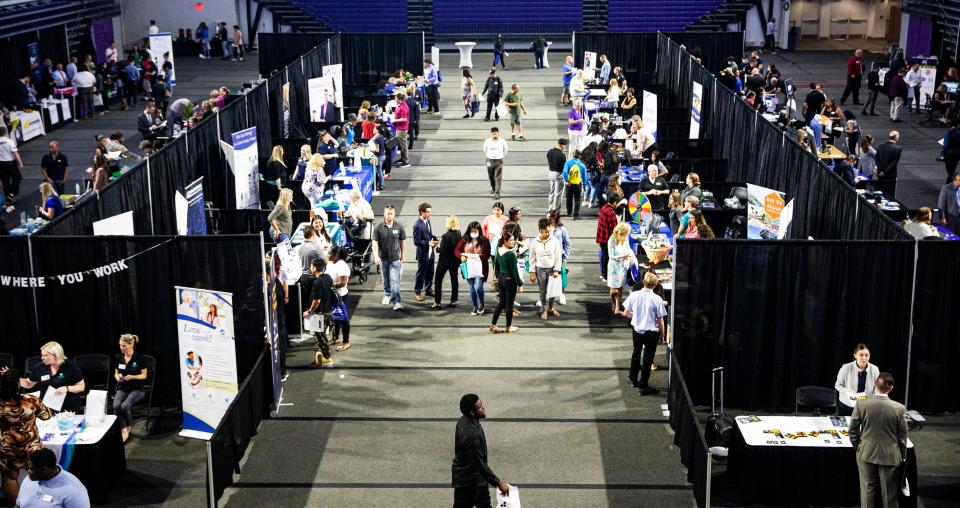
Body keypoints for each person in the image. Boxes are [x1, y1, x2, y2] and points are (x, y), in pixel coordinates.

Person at [849, 373, 908, 508]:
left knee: (867, 490)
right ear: (891, 388)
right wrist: (902, 456)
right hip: (890, 455)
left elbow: (853, 429)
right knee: (890, 494)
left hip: (866, 452)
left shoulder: (861, 404)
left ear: (875, 384)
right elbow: (902, 437)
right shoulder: (899, 408)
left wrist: (857, 446)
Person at [0, 367, 52, 503]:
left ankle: (18, 506)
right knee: (40, 476)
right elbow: (47, 416)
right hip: (31, 446)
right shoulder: (30, 400)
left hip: (6, 448)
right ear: (18, 384)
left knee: (9, 478)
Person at [452, 394, 509, 507]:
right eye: (479, 407)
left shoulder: (464, 421)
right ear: (472, 412)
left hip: (472, 479)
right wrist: (498, 483)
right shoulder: (471, 434)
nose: (483, 407)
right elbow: (479, 463)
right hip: (469, 483)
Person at [622, 272, 667, 395]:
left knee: (636, 353)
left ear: (644, 282)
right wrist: (662, 335)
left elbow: (626, 313)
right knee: (648, 358)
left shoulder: (634, 295)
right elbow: (660, 319)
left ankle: (632, 378)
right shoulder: (657, 299)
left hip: (637, 330)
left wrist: (636, 316)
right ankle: (643, 385)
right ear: (656, 284)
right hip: (651, 332)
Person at [19, 342, 85, 413]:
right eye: (42, 355)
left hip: (68, 408)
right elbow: (28, 384)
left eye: (45, 355)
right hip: (47, 408)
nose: (42, 358)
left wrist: (67, 388)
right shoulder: (40, 367)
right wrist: (14, 378)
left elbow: (81, 387)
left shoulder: (70, 366)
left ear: (56, 355)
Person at [15, 448, 89, 508]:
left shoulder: (74, 490)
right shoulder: (28, 479)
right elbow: (18, 505)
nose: (28, 472)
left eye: (32, 469)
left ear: (44, 469)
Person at [113, 333, 148, 442]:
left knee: (124, 407)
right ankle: (124, 429)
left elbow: (144, 376)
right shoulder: (118, 357)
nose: (121, 347)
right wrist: (117, 377)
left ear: (131, 344)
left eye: (124, 345)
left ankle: (128, 426)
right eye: (120, 345)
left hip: (136, 388)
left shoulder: (140, 358)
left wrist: (132, 377)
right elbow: (116, 373)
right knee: (116, 406)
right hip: (123, 386)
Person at [372, 205, 406, 311]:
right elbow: (375, 243)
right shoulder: (378, 227)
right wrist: (376, 256)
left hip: (395, 258)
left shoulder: (399, 227)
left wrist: (403, 254)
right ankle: (387, 294)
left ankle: (397, 302)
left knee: (395, 280)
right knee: (385, 279)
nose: (390, 215)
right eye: (388, 213)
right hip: (383, 259)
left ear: (394, 214)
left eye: (391, 214)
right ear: (384, 214)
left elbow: (402, 241)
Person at [303, 259, 335, 366]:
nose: (311, 268)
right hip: (328, 312)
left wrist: (309, 311)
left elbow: (317, 301)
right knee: (319, 336)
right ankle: (318, 354)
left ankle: (327, 357)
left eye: (312, 266)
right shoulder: (328, 278)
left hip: (319, 314)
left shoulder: (317, 282)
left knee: (320, 337)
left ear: (315, 268)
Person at [529, 218, 562, 320]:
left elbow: (558, 256)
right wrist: (532, 272)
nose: (548, 233)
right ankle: (544, 309)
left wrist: (556, 269)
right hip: (540, 270)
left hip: (552, 269)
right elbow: (532, 258)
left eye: (549, 231)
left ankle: (551, 308)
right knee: (543, 291)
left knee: (552, 290)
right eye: (546, 231)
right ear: (540, 230)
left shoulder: (554, 240)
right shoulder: (534, 241)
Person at [456, 221, 491, 316]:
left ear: (479, 231)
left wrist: (476, 257)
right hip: (468, 268)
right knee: (472, 288)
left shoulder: (484, 240)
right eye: (472, 231)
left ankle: (481, 304)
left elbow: (487, 254)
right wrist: (461, 256)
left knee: (478, 286)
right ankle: (475, 305)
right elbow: (457, 250)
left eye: (475, 231)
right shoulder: (464, 240)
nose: (473, 233)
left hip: (480, 268)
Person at [489, 233, 522, 333]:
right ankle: (509, 326)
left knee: (501, 303)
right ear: (505, 241)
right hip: (510, 280)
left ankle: (493, 325)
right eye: (511, 240)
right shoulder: (511, 254)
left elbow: (496, 266)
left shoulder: (498, 251)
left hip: (501, 279)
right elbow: (514, 271)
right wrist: (519, 283)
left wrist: (498, 277)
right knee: (509, 305)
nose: (513, 242)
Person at [432, 214, 462, 310]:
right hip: (455, 261)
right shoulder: (459, 233)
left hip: (444, 261)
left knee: (438, 280)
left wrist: (437, 248)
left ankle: (437, 302)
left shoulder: (445, 236)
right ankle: (453, 300)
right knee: (454, 280)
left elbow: (443, 250)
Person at [606, 222, 637, 315]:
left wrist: (631, 256)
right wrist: (623, 256)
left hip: (623, 266)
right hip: (614, 268)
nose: (627, 235)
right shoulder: (611, 240)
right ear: (621, 233)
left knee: (620, 288)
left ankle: (618, 308)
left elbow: (628, 249)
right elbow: (611, 255)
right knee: (613, 289)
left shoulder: (625, 239)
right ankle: (613, 303)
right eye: (626, 233)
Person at [326, 246, 352, 352]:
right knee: (335, 317)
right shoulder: (331, 263)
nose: (328, 255)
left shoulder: (342, 266)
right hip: (332, 295)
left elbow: (342, 283)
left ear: (336, 255)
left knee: (343, 319)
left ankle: (346, 342)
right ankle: (336, 338)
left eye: (329, 253)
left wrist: (328, 284)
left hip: (340, 296)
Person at [413, 202, 439, 302]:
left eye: (430, 212)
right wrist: (428, 242)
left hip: (430, 251)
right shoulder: (417, 226)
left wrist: (434, 239)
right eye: (428, 212)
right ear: (422, 212)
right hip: (423, 253)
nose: (430, 214)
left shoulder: (427, 221)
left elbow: (429, 234)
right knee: (421, 273)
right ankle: (418, 292)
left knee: (430, 271)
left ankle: (428, 289)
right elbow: (416, 242)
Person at [482, 127, 508, 199]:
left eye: (496, 133)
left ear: (498, 133)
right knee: (491, 177)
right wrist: (489, 156)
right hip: (490, 160)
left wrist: (500, 156)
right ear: (491, 134)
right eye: (493, 134)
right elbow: (484, 149)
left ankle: (497, 193)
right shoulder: (487, 141)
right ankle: (493, 188)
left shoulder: (502, 141)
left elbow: (505, 150)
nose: (494, 135)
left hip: (499, 161)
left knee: (498, 177)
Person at [0, 126, 23, 205]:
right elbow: (15, 153)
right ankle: (11, 195)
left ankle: (8, 200)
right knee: (17, 177)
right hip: (10, 163)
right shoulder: (9, 141)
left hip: (1, 164)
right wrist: (20, 163)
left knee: (5, 182)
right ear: (6, 132)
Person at [875, 131, 902, 195]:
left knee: (880, 190)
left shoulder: (881, 146)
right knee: (890, 192)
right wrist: (885, 171)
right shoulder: (898, 148)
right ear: (896, 137)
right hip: (890, 175)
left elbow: (877, 159)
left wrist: (881, 170)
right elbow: (894, 162)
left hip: (880, 173)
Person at [562, 150, 586, 219]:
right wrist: (584, 185)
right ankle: (575, 214)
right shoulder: (582, 164)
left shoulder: (568, 163)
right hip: (578, 184)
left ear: (572, 155)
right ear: (580, 156)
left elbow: (564, 172)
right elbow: (585, 176)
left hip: (569, 184)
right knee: (577, 200)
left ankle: (569, 212)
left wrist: (566, 180)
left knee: (569, 198)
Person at [546, 139, 567, 212]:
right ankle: (556, 210)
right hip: (558, 174)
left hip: (550, 173)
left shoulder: (550, 152)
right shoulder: (562, 155)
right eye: (565, 146)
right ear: (562, 145)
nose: (565, 147)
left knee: (552, 191)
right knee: (558, 193)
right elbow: (564, 168)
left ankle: (550, 207)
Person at [393, 91, 411, 167]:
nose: (394, 99)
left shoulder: (404, 107)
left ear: (399, 98)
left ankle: (406, 161)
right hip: (399, 128)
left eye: (395, 98)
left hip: (402, 129)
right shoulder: (399, 105)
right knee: (401, 144)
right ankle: (402, 159)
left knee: (403, 145)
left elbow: (404, 119)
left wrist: (394, 121)